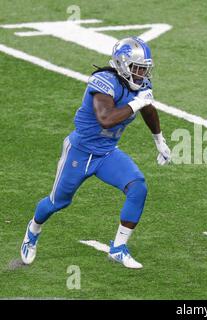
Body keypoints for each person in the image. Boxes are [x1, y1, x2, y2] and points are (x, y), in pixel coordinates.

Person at [20, 37, 171, 269]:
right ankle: (33, 230)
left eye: (144, 69)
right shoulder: (103, 80)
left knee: (138, 187)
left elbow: (148, 109)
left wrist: (159, 140)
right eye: (137, 68)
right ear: (122, 64)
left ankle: (118, 248)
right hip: (80, 152)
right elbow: (106, 119)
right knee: (57, 202)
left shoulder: (141, 85)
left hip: (107, 153)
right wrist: (136, 104)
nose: (141, 74)